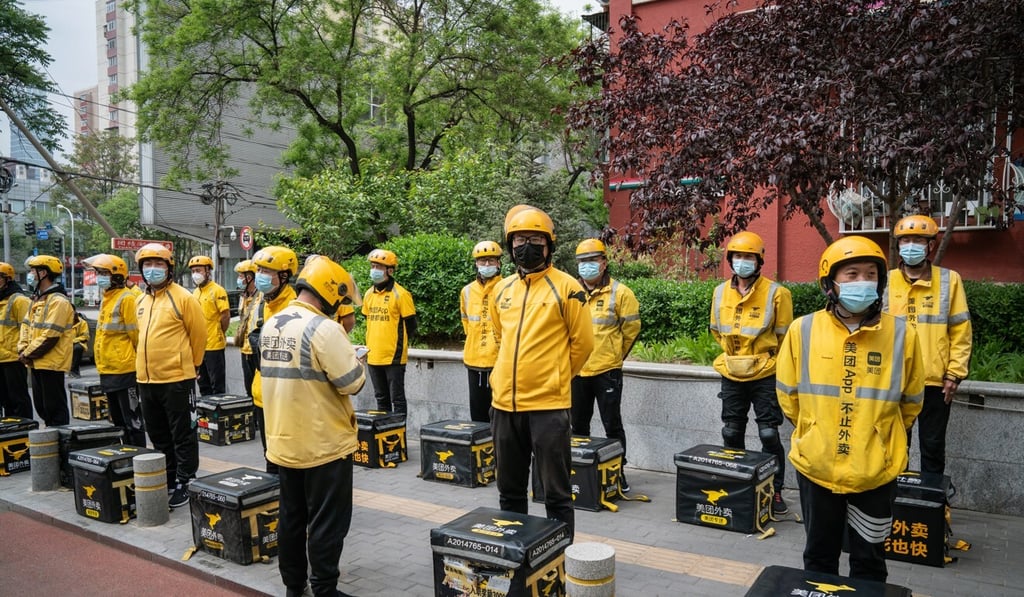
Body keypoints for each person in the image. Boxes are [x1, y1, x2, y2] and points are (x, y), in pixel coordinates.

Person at [776, 236, 924, 582]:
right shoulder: (803, 329)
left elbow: (911, 401)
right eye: (851, 275)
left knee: (869, 559)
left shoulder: (902, 334)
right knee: (818, 556)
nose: (862, 283)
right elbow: (788, 395)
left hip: (875, 468)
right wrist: (815, 429)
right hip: (817, 464)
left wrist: (879, 435)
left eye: (870, 274)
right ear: (830, 284)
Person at [260, 255, 365, 597]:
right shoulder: (324, 328)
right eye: (341, 298)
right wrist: (355, 358)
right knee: (327, 523)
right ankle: (324, 588)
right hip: (323, 445)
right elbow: (352, 383)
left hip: (283, 443)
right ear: (329, 292)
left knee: (291, 519)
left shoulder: (274, 323)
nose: (340, 305)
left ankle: (294, 587)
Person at [489, 206, 594, 540]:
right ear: (510, 244)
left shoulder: (567, 288)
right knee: (510, 490)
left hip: (549, 408)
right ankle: (516, 554)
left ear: (550, 244)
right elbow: (498, 338)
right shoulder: (501, 290)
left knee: (556, 494)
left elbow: (583, 344)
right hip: (504, 406)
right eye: (520, 239)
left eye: (535, 239)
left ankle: (557, 558)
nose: (527, 246)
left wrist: (556, 376)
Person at [709, 231, 794, 515]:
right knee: (731, 431)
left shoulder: (777, 293)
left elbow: (785, 338)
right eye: (737, 256)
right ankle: (736, 484)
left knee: (769, 433)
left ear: (759, 261)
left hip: (766, 373)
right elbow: (715, 331)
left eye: (748, 257)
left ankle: (775, 490)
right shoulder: (720, 292)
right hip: (732, 370)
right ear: (730, 260)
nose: (742, 262)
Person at [884, 215, 972, 475]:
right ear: (898, 246)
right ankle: (896, 504)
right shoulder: (886, 281)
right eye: (906, 240)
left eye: (918, 240)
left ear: (930, 245)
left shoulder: (949, 280)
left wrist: (955, 374)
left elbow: (960, 330)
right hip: (895, 380)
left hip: (934, 382)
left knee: (932, 446)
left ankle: (933, 504)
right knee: (896, 446)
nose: (911, 246)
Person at [134, 243, 207, 508]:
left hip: (177, 379)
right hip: (146, 380)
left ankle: (186, 479)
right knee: (158, 432)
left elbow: (199, 336)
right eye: (148, 265)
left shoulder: (183, 298)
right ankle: (167, 475)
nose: (153, 270)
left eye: (159, 265)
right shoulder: (140, 300)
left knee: (182, 433)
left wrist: (194, 366)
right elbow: (137, 338)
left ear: (169, 268)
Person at [570, 238, 641, 491]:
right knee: (578, 426)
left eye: (592, 260)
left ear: (604, 262)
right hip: (577, 371)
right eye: (582, 262)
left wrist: (614, 356)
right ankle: (579, 472)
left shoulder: (621, 293)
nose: (587, 266)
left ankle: (617, 472)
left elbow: (631, 331)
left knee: (612, 424)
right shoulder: (570, 292)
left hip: (607, 371)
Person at [84, 253, 146, 447]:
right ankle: (125, 453)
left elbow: (136, 336)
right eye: (98, 272)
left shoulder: (126, 299)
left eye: (104, 273)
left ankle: (138, 455)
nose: (99, 277)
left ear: (117, 275)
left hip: (125, 370)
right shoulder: (107, 299)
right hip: (108, 369)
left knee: (132, 421)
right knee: (118, 421)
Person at [249, 245, 299, 474]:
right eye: (259, 270)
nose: (260, 276)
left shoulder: (295, 306)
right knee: (269, 453)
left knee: (287, 457)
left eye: (266, 271)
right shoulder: (261, 303)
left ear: (284, 275)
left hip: (287, 397)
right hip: (262, 392)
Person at [18, 255, 75, 427]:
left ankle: (62, 447)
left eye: (32, 271)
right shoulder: (37, 299)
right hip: (36, 361)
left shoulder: (58, 302)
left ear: (43, 273)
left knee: (54, 410)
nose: (30, 275)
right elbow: (26, 326)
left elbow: (50, 335)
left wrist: (27, 353)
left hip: (52, 363)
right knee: (42, 408)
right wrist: (22, 348)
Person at [361, 249, 417, 416]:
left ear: (390, 270)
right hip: (373, 355)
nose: (374, 270)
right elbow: (368, 322)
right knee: (381, 398)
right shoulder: (369, 294)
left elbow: (411, 326)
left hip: (394, 357)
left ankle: (399, 437)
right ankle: (383, 437)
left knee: (397, 399)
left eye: (379, 266)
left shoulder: (401, 294)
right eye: (373, 266)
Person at [460, 240, 504, 423]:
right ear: (476, 264)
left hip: (499, 361)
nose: (487, 265)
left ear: (499, 263)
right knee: (477, 417)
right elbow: (466, 322)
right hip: (474, 360)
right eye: (482, 261)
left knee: (501, 416)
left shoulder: (507, 287)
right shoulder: (467, 291)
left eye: (491, 261)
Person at [189, 255, 230, 396]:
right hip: (199, 347)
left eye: (198, 270)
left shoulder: (217, 290)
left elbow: (225, 315)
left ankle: (218, 415)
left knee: (217, 385)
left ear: (207, 271)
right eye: (193, 271)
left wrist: (219, 332)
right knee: (203, 383)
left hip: (214, 345)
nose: (195, 274)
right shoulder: (195, 292)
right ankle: (205, 415)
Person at [0, 262, 33, 418]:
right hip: (1, 358)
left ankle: (25, 431)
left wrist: (25, 352)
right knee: (6, 401)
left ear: (7, 280)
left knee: (18, 399)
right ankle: (11, 434)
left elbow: (29, 329)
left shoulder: (19, 301)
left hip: (14, 358)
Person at [234, 259, 261, 399]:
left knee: (258, 390)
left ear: (249, 278)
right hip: (245, 349)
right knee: (248, 389)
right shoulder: (244, 297)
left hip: (256, 350)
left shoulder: (261, 297)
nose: (238, 279)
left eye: (240, 276)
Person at [69, 311, 89, 378]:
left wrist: (73, 341)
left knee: (77, 348)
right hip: (65, 343)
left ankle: (74, 370)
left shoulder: (83, 323)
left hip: (77, 343)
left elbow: (85, 336)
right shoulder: (63, 321)